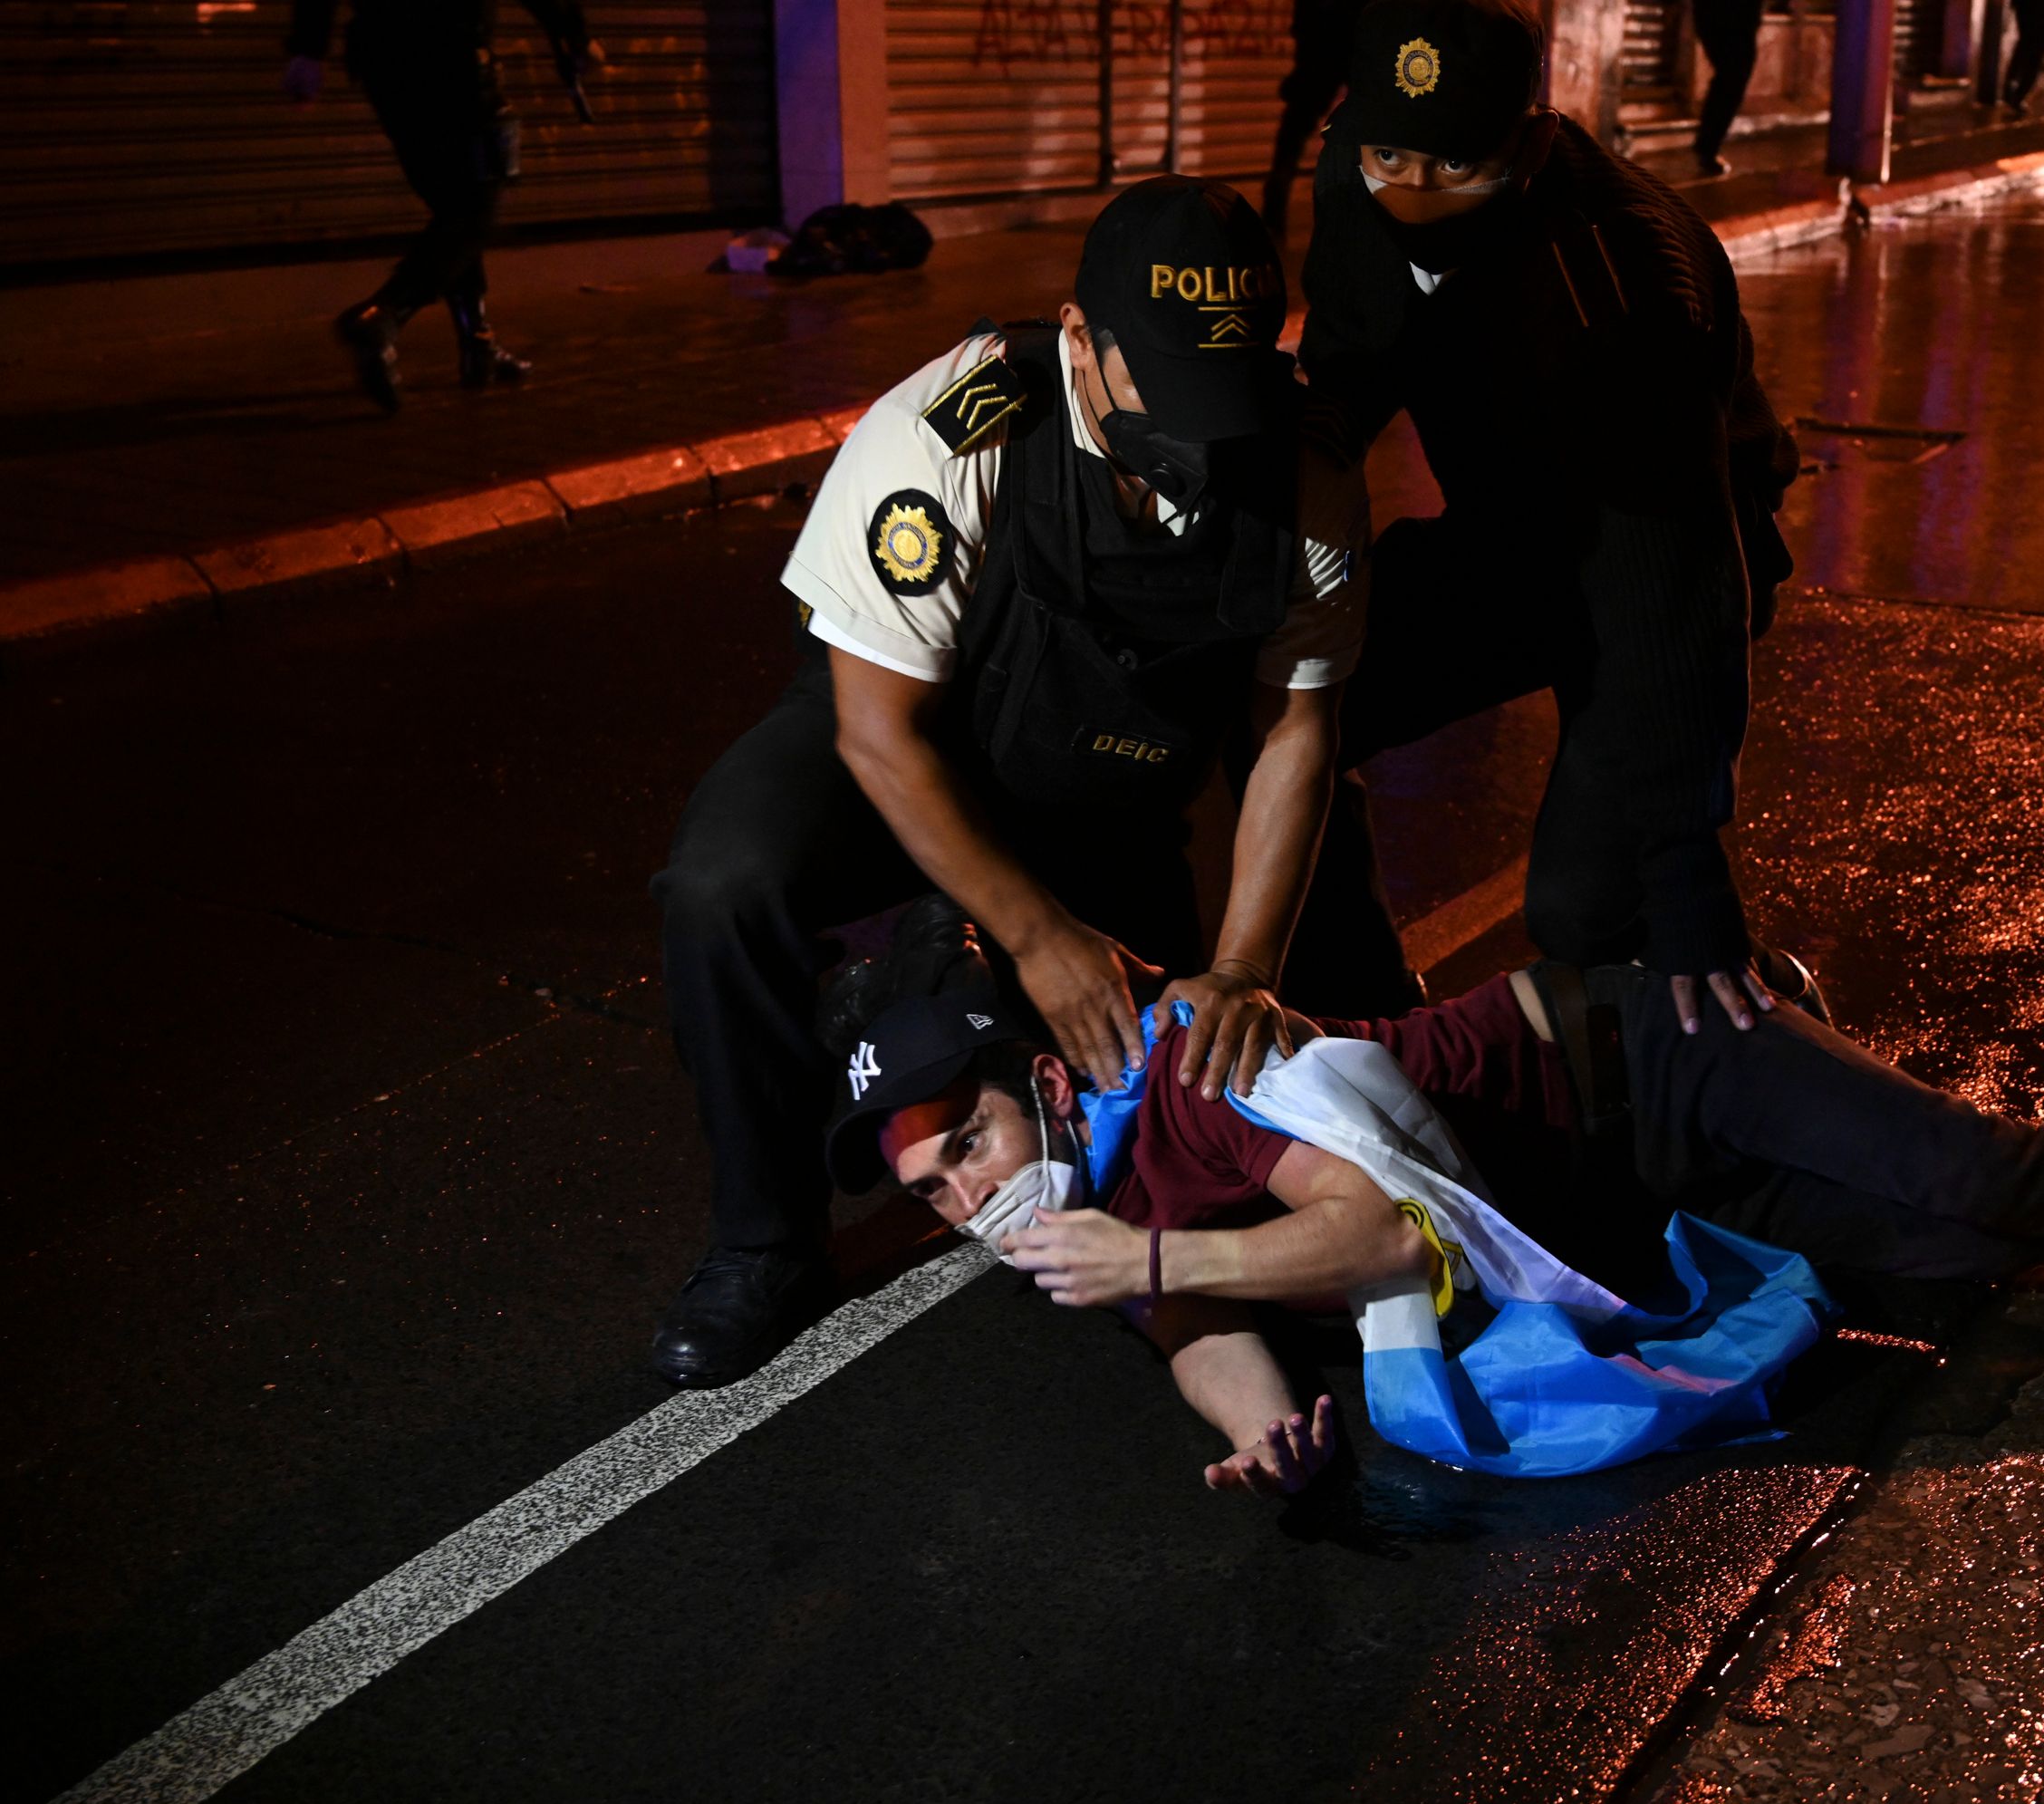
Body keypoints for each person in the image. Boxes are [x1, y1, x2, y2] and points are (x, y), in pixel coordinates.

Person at [646, 177, 1371, 1388]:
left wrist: (1244, 971)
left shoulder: (1304, 472)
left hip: (1099, 786)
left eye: (1221, 390)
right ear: (1081, 341)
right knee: (722, 885)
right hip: (904, 742)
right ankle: (764, 1242)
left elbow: (1294, 731)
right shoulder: (954, 428)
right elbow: (878, 735)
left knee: (1158, 1141)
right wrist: (1033, 935)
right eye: (1163, 389)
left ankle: (925, 968)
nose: (1195, 432)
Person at [821, 963, 2044, 1491]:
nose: (969, 1197)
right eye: (933, 1196)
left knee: (1994, 1184)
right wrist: (1267, 1446)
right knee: (1977, 1243)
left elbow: (1384, 1240)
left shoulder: (1180, 1091)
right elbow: (1194, 1336)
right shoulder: (1089, 1216)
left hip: (1656, 1046)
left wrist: (1161, 1261)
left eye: (967, 1142)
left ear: (1037, 1081)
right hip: (1647, 1191)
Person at [1292, 0, 1805, 1037]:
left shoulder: (1621, 289)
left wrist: (1686, 865)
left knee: (1585, 908)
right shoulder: (1361, 169)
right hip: (1509, 535)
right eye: (1393, 154)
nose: (1414, 196)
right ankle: (1376, 1034)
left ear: (1530, 144)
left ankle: (1763, 1023)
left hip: (1668, 542)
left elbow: (1675, 589)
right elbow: (1355, 352)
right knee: (1285, 716)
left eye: (1452, 168)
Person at [283, 0, 593, 410]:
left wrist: (308, 50)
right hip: (454, 56)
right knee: (475, 208)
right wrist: (575, 34)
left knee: (454, 205)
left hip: (386, 65)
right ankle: (384, 315)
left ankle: (478, 341)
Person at [1263, 0, 1366, 246]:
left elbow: (1302, 26)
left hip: (1320, 63)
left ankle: (1274, 214)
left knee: (1294, 140)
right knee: (1299, 140)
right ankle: (1275, 212)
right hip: (1327, 62)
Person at [1690, 0, 1765, 178]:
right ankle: (1708, 146)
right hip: (1732, 20)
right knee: (1732, 78)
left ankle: (1707, 145)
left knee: (1729, 79)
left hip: (1720, 17)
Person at [2000, 0, 2044, 118]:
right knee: (2035, 55)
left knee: (2024, 46)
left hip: (2027, 8)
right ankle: (2018, 95)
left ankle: (2011, 90)